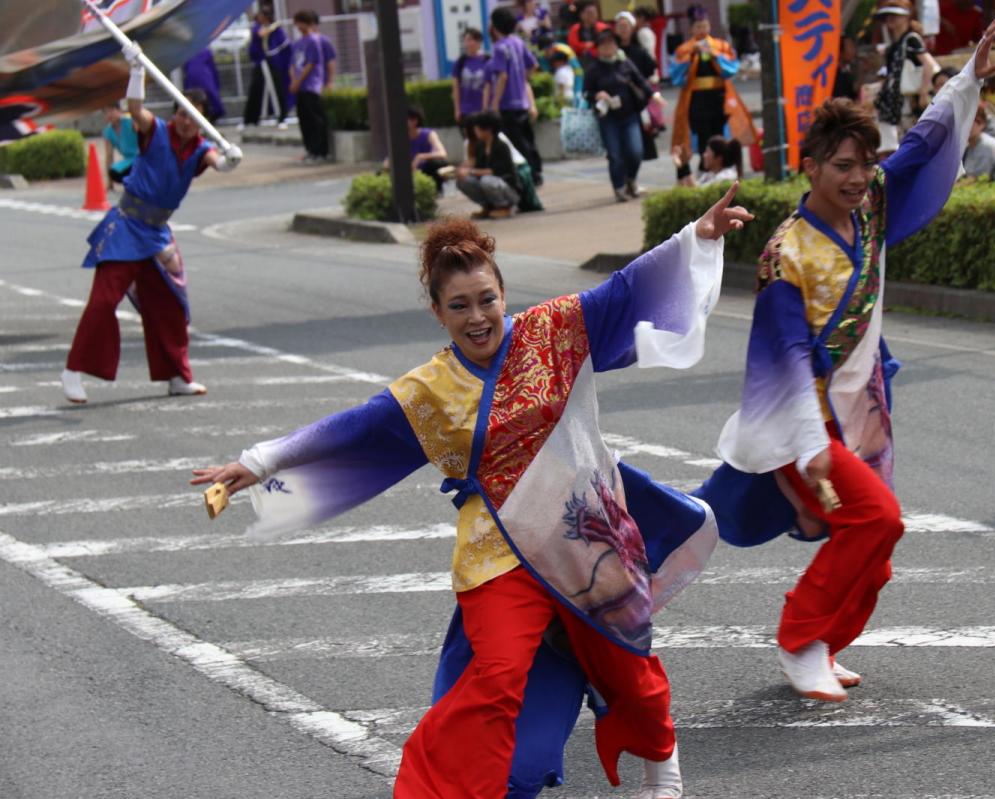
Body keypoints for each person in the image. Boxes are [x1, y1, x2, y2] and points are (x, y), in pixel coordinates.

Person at [190, 187, 754, 799]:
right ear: (437, 311)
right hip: (497, 553)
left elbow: (628, 287)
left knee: (629, 664)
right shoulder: (427, 389)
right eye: (459, 305)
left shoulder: (557, 328)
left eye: (487, 298)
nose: (477, 316)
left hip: (587, 536)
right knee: (498, 676)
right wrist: (257, 461)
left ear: (504, 293)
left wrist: (696, 236)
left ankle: (661, 759)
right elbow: (352, 429)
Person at [695, 17, 995, 703]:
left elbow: (923, 144)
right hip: (805, 427)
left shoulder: (870, 209)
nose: (860, 177)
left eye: (866, 164)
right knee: (878, 520)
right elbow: (779, 362)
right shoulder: (788, 254)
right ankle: (800, 637)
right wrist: (809, 446)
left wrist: (969, 77)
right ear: (810, 167)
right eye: (843, 165)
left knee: (877, 548)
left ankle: (824, 641)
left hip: (861, 415)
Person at [61, 53, 242, 405]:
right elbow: (136, 108)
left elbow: (217, 164)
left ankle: (177, 376)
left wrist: (232, 161)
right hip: (127, 227)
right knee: (103, 301)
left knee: (171, 306)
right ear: (174, 114)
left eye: (193, 117)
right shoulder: (156, 130)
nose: (186, 122)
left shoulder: (202, 148)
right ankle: (72, 370)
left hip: (158, 236)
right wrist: (137, 72)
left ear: (203, 120)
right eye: (181, 114)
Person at [669, 4, 756, 170]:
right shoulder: (684, 50)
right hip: (696, 99)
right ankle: (705, 167)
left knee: (719, 134)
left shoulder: (720, 46)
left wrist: (714, 55)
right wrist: (692, 54)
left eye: (705, 26)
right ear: (691, 28)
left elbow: (731, 68)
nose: (702, 29)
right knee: (703, 135)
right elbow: (677, 76)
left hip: (718, 97)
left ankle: (721, 166)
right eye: (698, 26)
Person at [585, 30, 665, 202]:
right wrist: (597, 95)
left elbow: (640, 81)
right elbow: (586, 93)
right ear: (598, 48)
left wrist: (654, 95)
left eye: (611, 44)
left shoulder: (625, 63)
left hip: (629, 115)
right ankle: (619, 187)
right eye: (604, 45)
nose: (608, 48)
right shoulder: (593, 69)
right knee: (614, 154)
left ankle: (631, 179)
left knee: (635, 151)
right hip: (608, 118)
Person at [489, 6, 543, 186]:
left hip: (507, 103)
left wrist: (495, 103)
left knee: (516, 144)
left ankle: (527, 177)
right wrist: (522, 78)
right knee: (528, 139)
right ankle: (537, 172)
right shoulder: (518, 43)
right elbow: (533, 65)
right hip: (522, 101)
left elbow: (502, 75)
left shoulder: (499, 47)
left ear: (495, 26)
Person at [874, 1, 937, 155]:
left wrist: (923, 91)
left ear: (905, 17)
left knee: (913, 140)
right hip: (896, 101)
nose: (890, 20)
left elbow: (929, 64)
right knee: (902, 141)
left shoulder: (911, 39)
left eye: (895, 16)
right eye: (888, 17)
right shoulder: (895, 43)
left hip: (909, 99)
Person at [614, 10, 662, 161]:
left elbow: (650, 67)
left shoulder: (639, 50)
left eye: (626, 26)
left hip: (637, 100)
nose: (623, 30)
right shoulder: (612, 50)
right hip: (618, 99)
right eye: (620, 26)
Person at [456, 111, 522, 218]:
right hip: (489, 184)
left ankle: (505, 207)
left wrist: (470, 171)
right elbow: (478, 166)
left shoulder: (501, 146)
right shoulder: (480, 146)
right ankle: (488, 206)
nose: (475, 131)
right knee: (464, 181)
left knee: (487, 180)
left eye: (478, 128)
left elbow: (495, 171)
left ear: (488, 129)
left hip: (507, 188)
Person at [290, 9, 335, 163]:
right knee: (305, 120)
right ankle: (310, 149)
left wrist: (329, 81)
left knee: (316, 120)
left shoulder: (318, 40)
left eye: (299, 22)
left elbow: (316, 63)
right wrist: (293, 81)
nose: (296, 26)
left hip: (312, 86)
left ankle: (320, 151)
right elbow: (293, 64)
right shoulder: (297, 43)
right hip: (300, 88)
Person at [243, 5, 291, 130]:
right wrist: (271, 28)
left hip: (274, 62)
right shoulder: (257, 28)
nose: (260, 17)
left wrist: (273, 27)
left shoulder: (277, 29)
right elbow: (260, 34)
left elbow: (283, 44)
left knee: (278, 89)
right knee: (256, 89)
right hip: (260, 62)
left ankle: (282, 118)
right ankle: (250, 119)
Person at [453, 28, 491, 128]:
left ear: (479, 42)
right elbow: (456, 87)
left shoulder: (487, 60)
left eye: (471, 40)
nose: (468, 43)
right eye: (466, 40)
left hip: (484, 109)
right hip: (466, 110)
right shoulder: (460, 62)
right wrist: (457, 109)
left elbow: (491, 84)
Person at [408, 107, 450, 194]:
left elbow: (442, 153)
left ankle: (437, 190)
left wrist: (420, 156)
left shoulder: (428, 134)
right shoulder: (399, 138)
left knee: (438, 163)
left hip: (426, 170)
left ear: (415, 121)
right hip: (409, 172)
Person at [672, 135, 741, 186]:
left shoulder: (727, 177)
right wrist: (680, 166)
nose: (704, 155)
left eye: (707, 151)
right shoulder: (709, 174)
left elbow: (698, 194)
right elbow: (685, 190)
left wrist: (684, 164)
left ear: (719, 158)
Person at [101, 102, 139, 188]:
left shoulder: (130, 121)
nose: (109, 114)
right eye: (106, 112)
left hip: (141, 157)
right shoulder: (108, 132)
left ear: (119, 110)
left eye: (112, 110)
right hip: (129, 160)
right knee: (114, 172)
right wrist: (109, 183)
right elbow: (109, 156)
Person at [182, 49, 226, 122]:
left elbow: (186, 68)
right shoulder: (206, 51)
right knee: (211, 100)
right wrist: (217, 85)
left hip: (191, 79)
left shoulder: (187, 52)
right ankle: (211, 118)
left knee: (193, 101)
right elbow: (213, 69)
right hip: (206, 78)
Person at [567, 0, 609, 66]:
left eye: (594, 12)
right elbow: (573, 46)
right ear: (582, 15)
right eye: (589, 13)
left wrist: (590, 47)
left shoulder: (603, 28)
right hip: (580, 61)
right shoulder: (575, 29)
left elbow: (605, 45)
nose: (593, 15)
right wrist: (587, 45)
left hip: (601, 60)